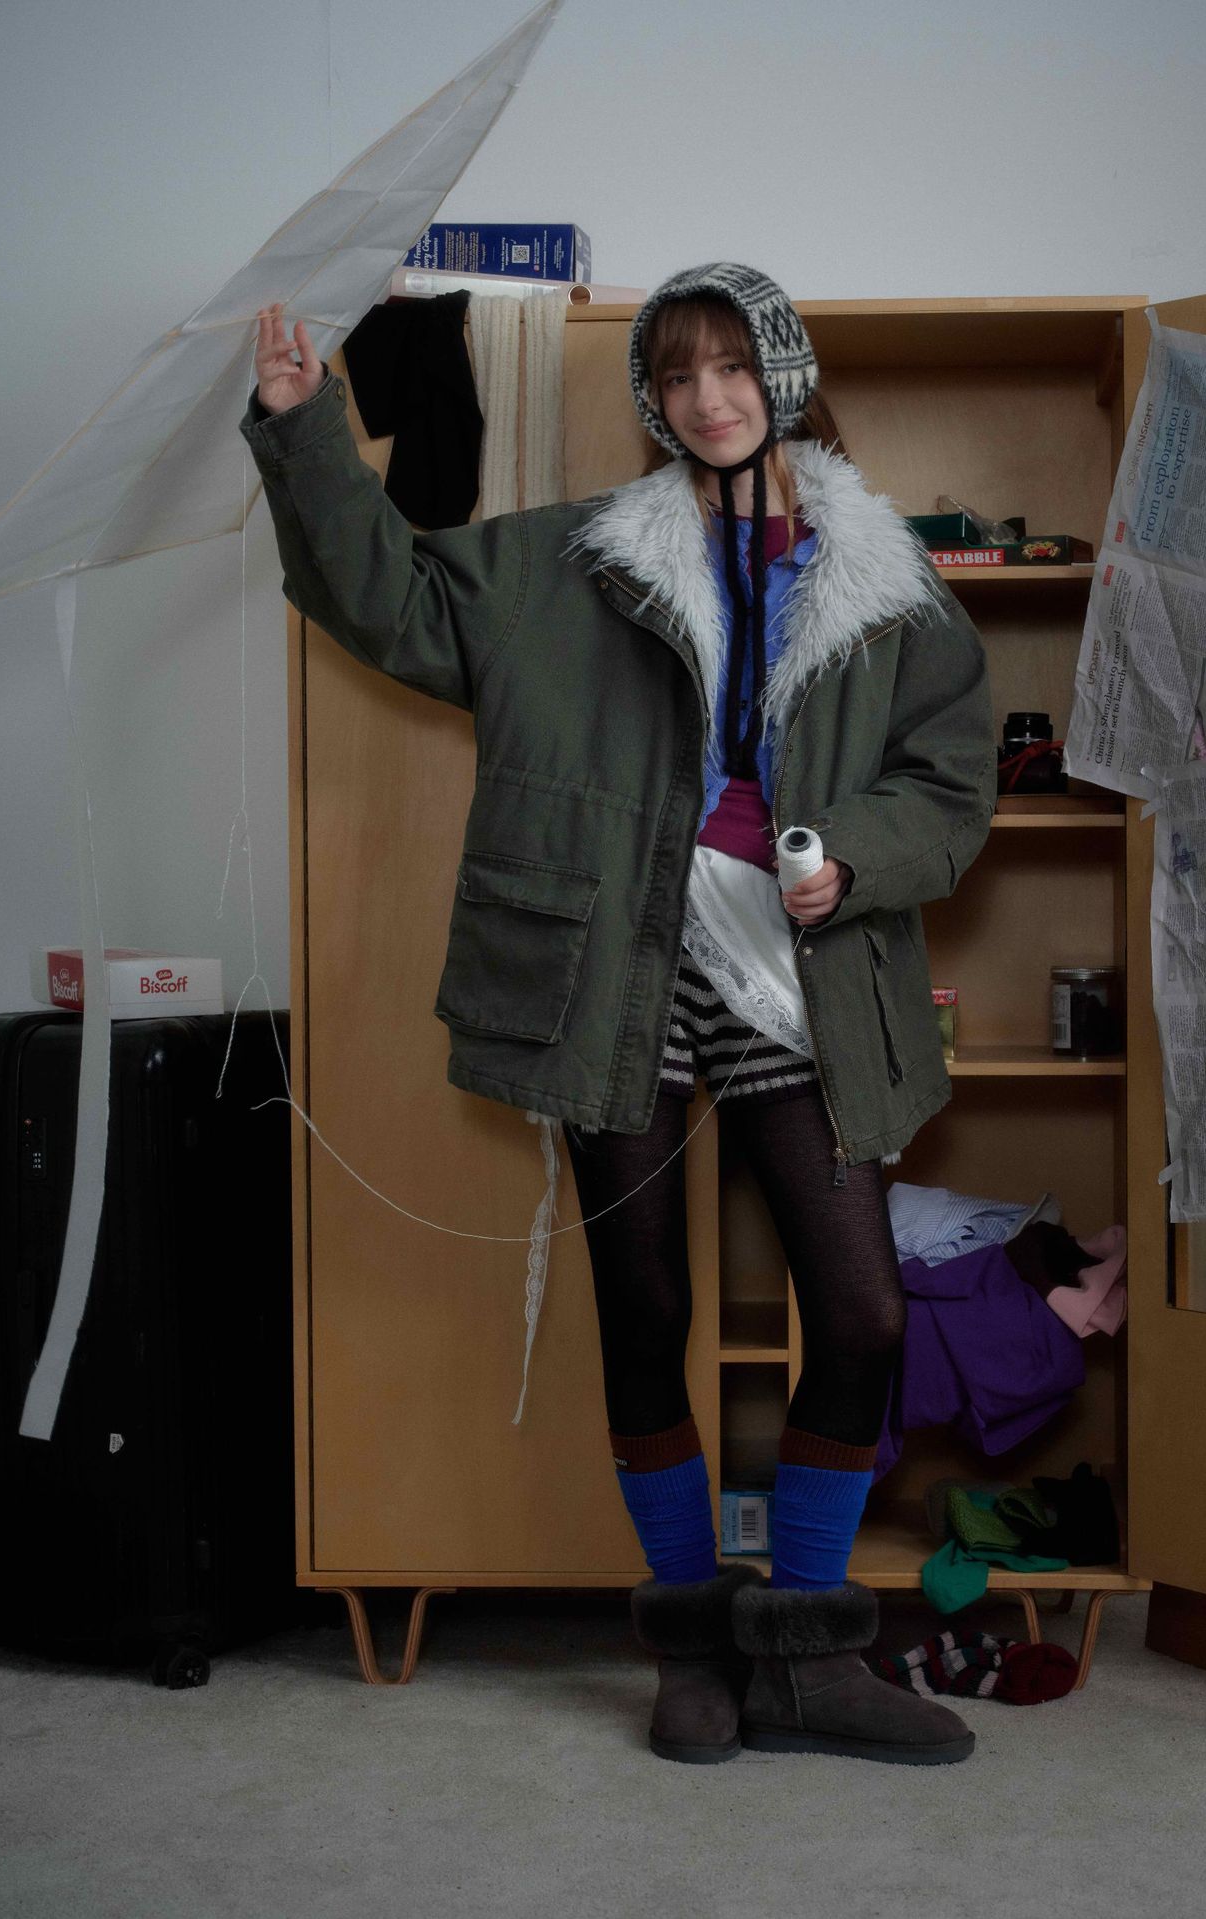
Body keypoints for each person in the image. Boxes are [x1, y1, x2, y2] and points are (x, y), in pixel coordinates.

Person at [243, 263, 995, 1767]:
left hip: (796, 956)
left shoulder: (888, 580)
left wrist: (852, 860)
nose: (708, 400)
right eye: (677, 376)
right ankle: (693, 1642)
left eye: (734, 368)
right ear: (654, 400)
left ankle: (807, 1654)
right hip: (614, 953)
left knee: (860, 1313)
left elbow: (951, 783)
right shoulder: (578, 558)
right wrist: (304, 428)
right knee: (645, 1309)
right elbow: (390, 600)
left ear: (785, 377)